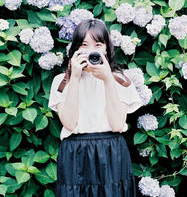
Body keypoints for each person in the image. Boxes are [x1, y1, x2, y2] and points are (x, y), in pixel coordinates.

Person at [48, 18, 145, 196]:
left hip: (111, 151)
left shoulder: (121, 80)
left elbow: (117, 125)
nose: (91, 50)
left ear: (107, 48)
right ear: (75, 48)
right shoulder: (61, 82)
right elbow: (69, 123)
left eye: (98, 44)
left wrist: (108, 78)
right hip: (75, 153)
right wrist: (75, 77)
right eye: (84, 44)